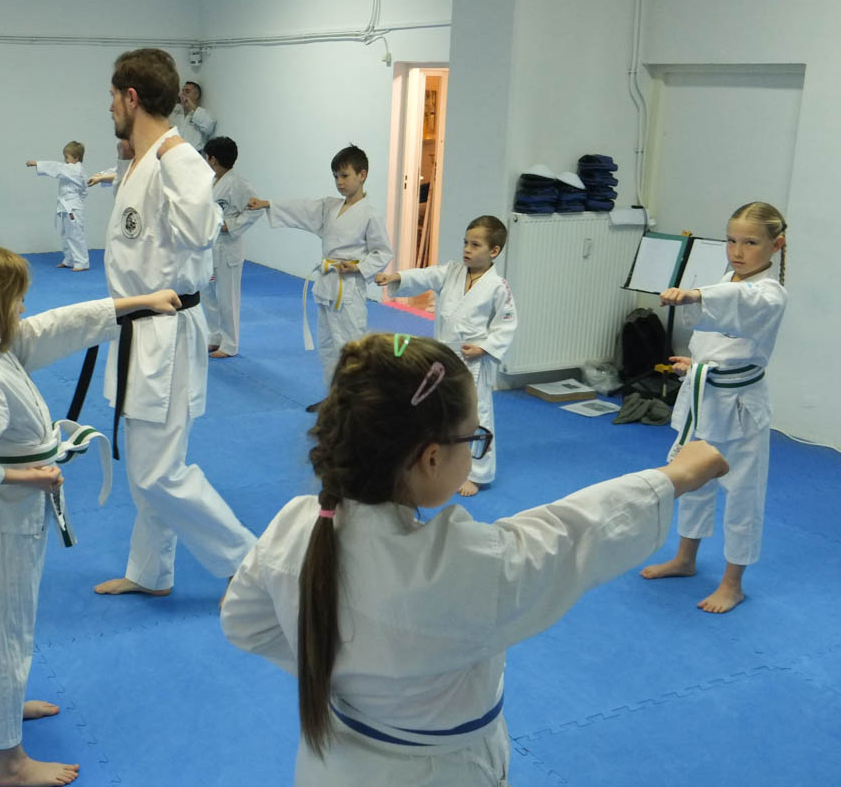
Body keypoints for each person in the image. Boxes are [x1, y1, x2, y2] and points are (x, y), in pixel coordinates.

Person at [220, 333, 729, 786]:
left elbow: (244, 623)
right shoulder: (459, 567)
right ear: (431, 457)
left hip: (331, 761)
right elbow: (571, 536)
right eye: (473, 439)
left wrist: (343, 669)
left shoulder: (296, 524)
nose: (475, 451)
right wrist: (674, 478)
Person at [0, 241, 179, 787]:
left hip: (12, 513)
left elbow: (54, 327)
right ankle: (10, 763)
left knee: (6, 620)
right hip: (7, 514)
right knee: (6, 627)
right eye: (14, 299)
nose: (23, 308)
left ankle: (1, 710)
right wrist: (28, 477)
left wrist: (137, 302)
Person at [91, 48, 257, 599]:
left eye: (113, 97)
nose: (108, 107)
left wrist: (172, 161)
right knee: (148, 467)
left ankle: (253, 565)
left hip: (163, 331)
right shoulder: (146, 158)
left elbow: (200, 234)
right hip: (137, 329)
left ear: (131, 97)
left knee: (158, 472)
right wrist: (133, 160)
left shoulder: (178, 158)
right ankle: (151, 572)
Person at [640, 201, 789, 613]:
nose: (738, 251)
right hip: (705, 396)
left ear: (776, 245)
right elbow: (719, 338)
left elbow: (740, 304)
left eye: (750, 243)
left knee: (742, 494)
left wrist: (694, 294)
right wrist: (695, 364)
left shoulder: (770, 294)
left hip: (742, 409)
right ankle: (685, 558)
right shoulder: (727, 279)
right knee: (694, 480)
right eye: (731, 240)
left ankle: (732, 583)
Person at [376, 216, 517, 495]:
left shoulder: (498, 286)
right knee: (438, 410)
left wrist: (485, 347)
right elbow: (425, 275)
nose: (467, 249)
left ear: (494, 251)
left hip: (473, 360)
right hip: (444, 356)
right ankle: (439, 462)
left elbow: (507, 323)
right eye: (465, 243)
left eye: (475, 245)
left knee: (477, 415)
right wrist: (396, 277)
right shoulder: (452, 272)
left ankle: (478, 473)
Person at [248, 145, 393, 402]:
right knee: (327, 346)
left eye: (345, 175)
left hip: (348, 290)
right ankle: (334, 398)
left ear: (362, 175)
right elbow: (301, 208)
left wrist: (359, 266)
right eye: (336, 176)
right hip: (327, 285)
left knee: (350, 346)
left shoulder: (371, 214)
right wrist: (267, 204)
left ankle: (355, 402)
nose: (339, 182)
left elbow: (383, 251)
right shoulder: (329, 206)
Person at [201, 136, 261, 358]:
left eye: (206, 157)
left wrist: (232, 225)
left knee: (227, 299)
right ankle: (214, 337)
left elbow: (256, 209)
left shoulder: (238, 184)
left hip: (227, 249)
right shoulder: (211, 180)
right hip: (209, 247)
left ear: (213, 159)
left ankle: (229, 344)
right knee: (209, 295)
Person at [26, 141, 90, 271]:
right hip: (68, 206)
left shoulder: (74, 169)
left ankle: (82, 263)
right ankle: (69, 260)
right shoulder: (71, 170)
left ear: (76, 157)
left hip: (73, 207)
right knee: (66, 234)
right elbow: (84, 190)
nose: (65, 160)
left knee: (75, 234)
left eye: (67, 157)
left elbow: (57, 168)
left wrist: (38, 164)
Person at [171, 80, 216, 152]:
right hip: (172, 152)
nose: (183, 94)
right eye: (182, 91)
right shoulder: (174, 110)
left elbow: (209, 127)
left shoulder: (202, 114)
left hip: (192, 154)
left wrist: (191, 106)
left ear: (196, 95)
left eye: (187, 91)